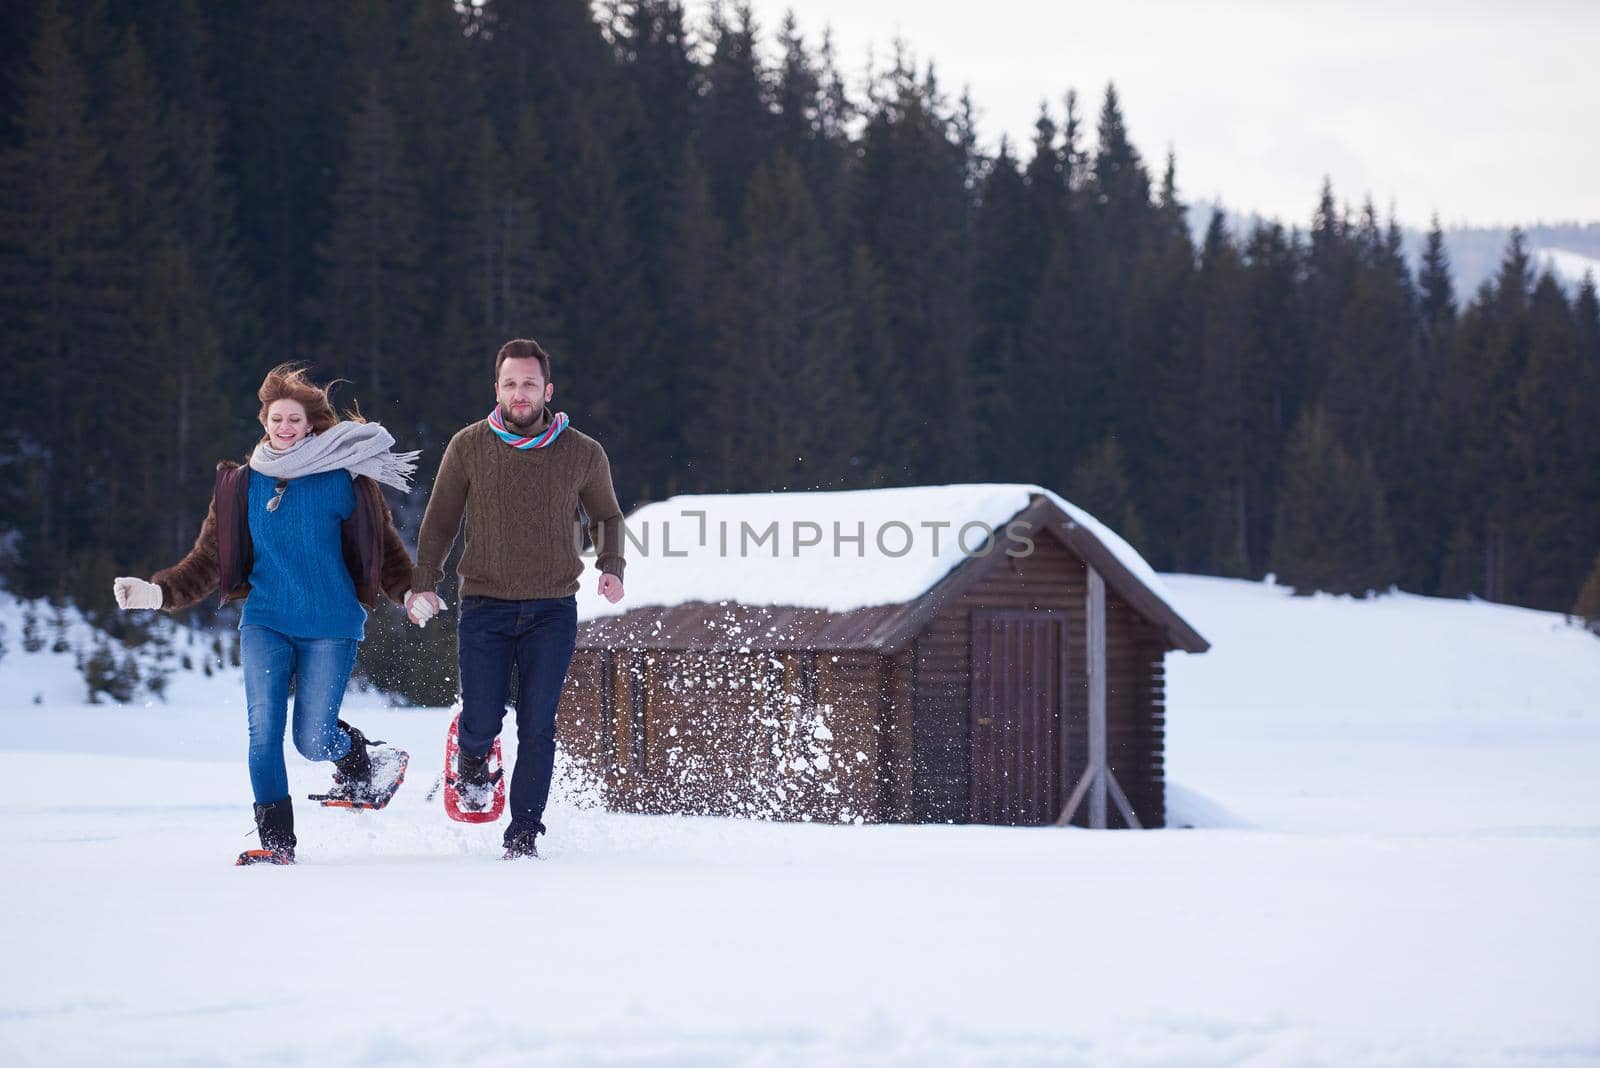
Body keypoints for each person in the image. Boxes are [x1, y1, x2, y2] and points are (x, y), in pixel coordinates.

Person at [112, 365, 420, 866]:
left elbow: (382, 548)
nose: (284, 427)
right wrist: (156, 593)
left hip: (330, 625)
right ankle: (278, 846)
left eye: (294, 419)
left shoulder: (345, 479)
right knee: (263, 732)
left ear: (310, 424)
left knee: (314, 739)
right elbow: (209, 559)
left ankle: (360, 759)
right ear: (264, 422)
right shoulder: (241, 485)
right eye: (276, 418)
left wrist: (410, 593)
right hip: (266, 622)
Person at [406, 338, 625, 859]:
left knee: (538, 723)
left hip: (553, 608)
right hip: (485, 605)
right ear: (497, 388)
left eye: (529, 383)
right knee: (482, 716)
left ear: (547, 389)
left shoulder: (582, 451)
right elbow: (440, 521)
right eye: (510, 383)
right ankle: (475, 759)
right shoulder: (468, 445)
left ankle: (524, 831)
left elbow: (607, 517)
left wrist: (611, 567)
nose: (520, 393)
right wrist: (424, 579)